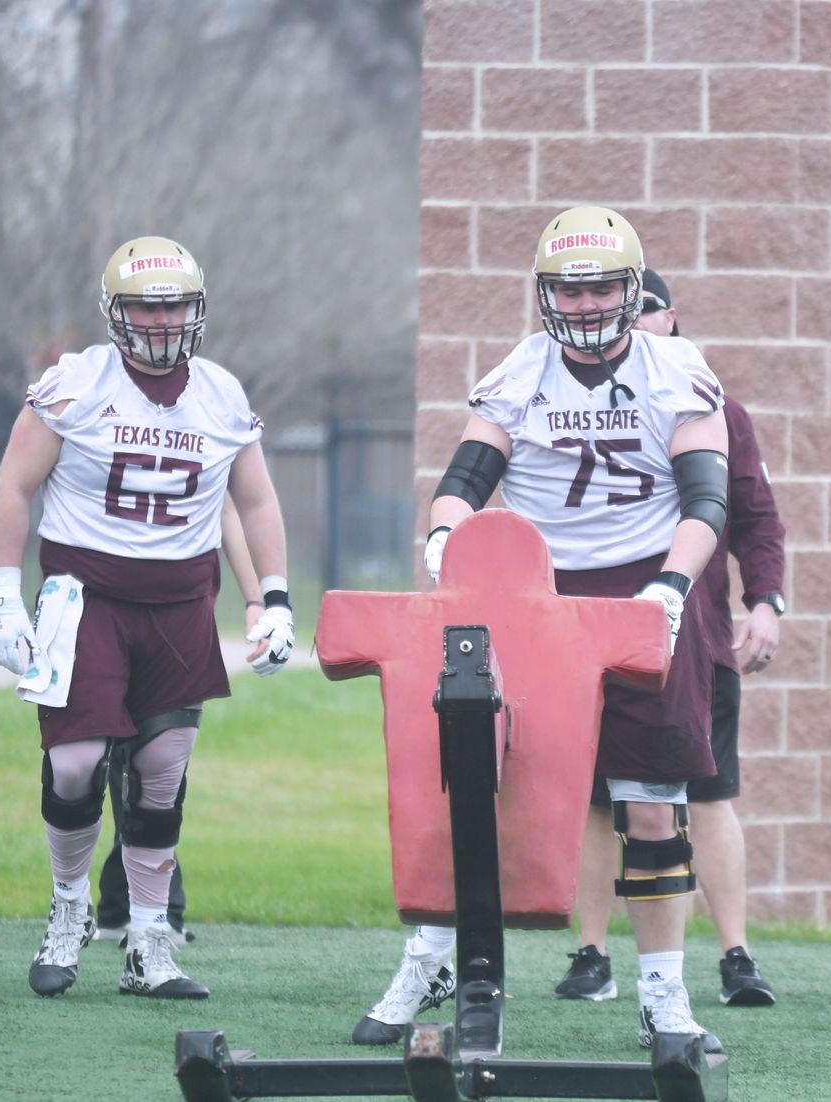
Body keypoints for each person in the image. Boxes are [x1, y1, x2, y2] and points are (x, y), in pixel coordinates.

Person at [353, 207, 729, 1053]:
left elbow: (708, 499)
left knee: (652, 808)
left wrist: (671, 584)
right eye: (570, 286)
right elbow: (463, 479)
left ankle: (663, 996)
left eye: (601, 286)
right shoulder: (523, 372)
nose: (587, 302)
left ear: (632, 291)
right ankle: (435, 957)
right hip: (537, 600)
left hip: (647, 588)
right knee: (473, 784)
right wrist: (447, 538)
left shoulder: (678, 370)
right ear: (544, 292)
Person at [0, 235, 294, 1000]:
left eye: (173, 305)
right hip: (84, 595)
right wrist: (3, 593)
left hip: (181, 602)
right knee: (75, 763)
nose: (160, 321)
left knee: (163, 771)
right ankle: (68, 909)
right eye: (144, 306)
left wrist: (276, 597)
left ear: (196, 310)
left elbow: (254, 500)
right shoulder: (78, 385)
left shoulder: (220, 394)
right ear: (115, 312)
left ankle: (150, 941)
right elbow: (12, 488)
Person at [555, 269, 784, 1010]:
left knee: (706, 796)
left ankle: (735, 954)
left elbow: (754, 517)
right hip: (592, 635)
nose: (630, 320)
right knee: (596, 801)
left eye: (644, 308)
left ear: (666, 316)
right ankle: (590, 953)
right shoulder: (562, 398)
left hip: (694, 637)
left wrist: (767, 603)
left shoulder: (713, 404)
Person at [93, 495, 264, 947]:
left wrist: (257, 598)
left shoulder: (206, 426)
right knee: (107, 752)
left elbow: (228, 505)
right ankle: (125, 905)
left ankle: (143, 908)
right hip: (108, 592)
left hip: (176, 602)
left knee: (157, 758)